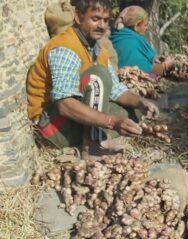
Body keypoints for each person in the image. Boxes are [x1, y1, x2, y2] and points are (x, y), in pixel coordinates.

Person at [27, 0, 159, 157]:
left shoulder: (98, 49)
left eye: (105, 20)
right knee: (98, 76)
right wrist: (112, 122)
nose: (102, 26)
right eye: (95, 19)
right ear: (78, 16)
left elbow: (116, 91)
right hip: (52, 125)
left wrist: (140, 102)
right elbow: (64, 105)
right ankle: (92, 146)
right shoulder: (65, 48)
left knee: (133, 114)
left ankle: (98, 135)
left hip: (73, 114)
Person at [109, 5, 172, 78]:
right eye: (145, 25)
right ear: (136, 26)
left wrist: (153, 58)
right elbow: (143, 70)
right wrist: (165, 66)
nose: (147, 28)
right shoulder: (129, 42)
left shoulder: (119, 33)